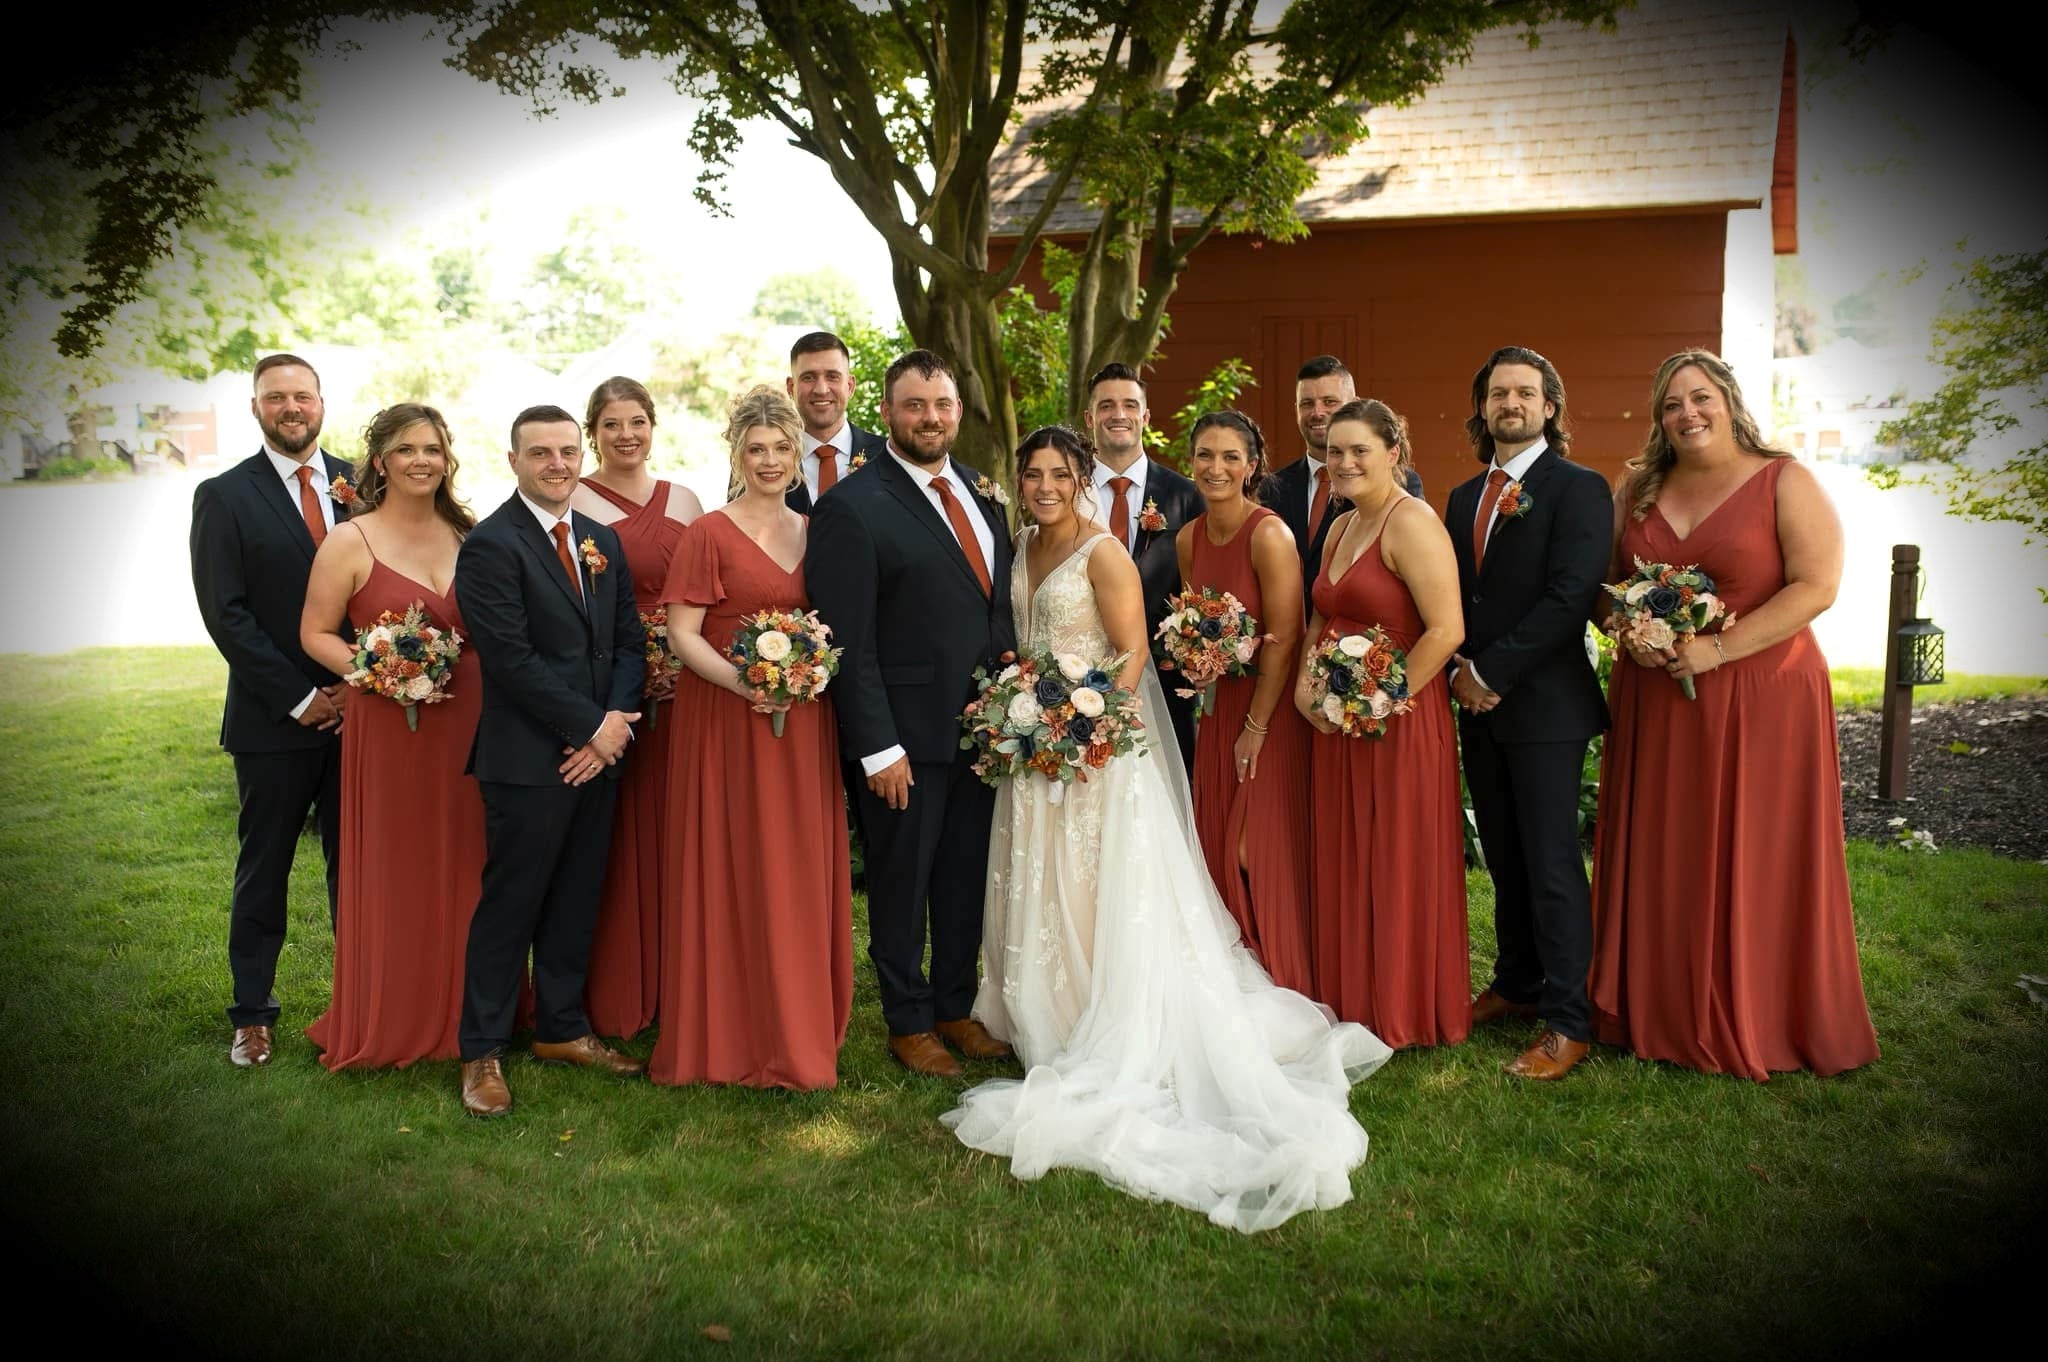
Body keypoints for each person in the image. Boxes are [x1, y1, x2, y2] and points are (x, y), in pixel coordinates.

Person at [945, 425, 1391, 1235]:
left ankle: (1094, 1013)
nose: (1045, 486)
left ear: (1083, 478)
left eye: (1059, 474)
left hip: (1093, 751)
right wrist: (1027, 714)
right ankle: (1037, 1004)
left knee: (1095, 883)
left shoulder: (1104, 553)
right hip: (1035, 744)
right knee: (1043, 879)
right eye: (1033, 474)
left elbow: (1130, 656)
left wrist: (1076, 729)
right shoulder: (1022, 543)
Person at [1589, 350, 1878, 1080]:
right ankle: (1658, 1005)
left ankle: (1761, 1010)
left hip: (1762, 699)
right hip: (1659, 702)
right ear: (1659, 418)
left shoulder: (1785, 479)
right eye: (1671, 404)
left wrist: (1719, 651)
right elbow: (1603, 588)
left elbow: (1817, 585)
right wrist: (1632, 631)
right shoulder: (1640, 488)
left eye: (1701, 398)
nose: (1687, 413)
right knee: (1669, 845)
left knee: (1756, 849)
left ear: (1729, 401)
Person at [806, 349, 1017, 1077]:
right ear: (888, 412)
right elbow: (849, 642)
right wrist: (877, 748)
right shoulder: (850, 509)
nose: (931, 418)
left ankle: (955, 1008)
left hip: (985, 731)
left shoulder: (984, 496)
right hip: (904, 740)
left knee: (963, 876)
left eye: (942, 405)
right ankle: (907, 1020)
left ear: (958, 410)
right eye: (915, 405)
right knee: (902, 883)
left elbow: (994, 609)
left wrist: (1014, 709)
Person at [651, 387, 853, 1089]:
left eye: (781, 449)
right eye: (756, 449)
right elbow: (681, 633)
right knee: (732, 860)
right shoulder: (708, 531)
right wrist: (744, 684)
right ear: (736, 454)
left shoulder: (816, 528)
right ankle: (727, 1031)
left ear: (799, 455)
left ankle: (793, 1028)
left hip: (800, 725)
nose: (770, 461)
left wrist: (802, 675)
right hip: (724, 723)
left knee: (793, 864)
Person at [451, 404, 647, 1117]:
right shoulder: (490, 546)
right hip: (529, 761)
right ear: (514, 462)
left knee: (576, 897)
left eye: (568, 451)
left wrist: (616, 727)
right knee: (512, 906)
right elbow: (511, 660)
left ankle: (562, 1028)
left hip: (599, 756)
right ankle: (481, 1053)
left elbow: (628, 642)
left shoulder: (600, 540)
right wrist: (592, 726)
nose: (557, 464)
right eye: (541, 454)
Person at [298, 404, 483, 1070]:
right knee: (398, 866)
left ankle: (473, 1014)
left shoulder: (470, 533)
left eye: (433, 448)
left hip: (467, 723)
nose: (422, 461)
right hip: (390, 727)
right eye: (406, 450)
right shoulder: (351, 542)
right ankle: (394, 1015)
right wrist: (377, 670)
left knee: (468, 863)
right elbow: (315, 632)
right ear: (380, 461)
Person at [1446, 346, 1613, 1080]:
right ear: (1482, 408)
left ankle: (1569, 1020)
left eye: (1525, 393)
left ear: (1550, 407)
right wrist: (1459, 671)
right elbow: (1457, 598)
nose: (1510, 404)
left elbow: (1570, 596)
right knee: (1507, 860)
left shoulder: (1579, 488)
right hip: (1478, 705)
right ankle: (1517, 983)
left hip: (1546, 707)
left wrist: (1491, 670)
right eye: (1497, 394)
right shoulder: (1460, 498)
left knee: (1549, 864)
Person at [189, 353, 353, 1067]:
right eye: (276, 397)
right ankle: (252, 1015)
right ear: (256, 407)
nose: (292, 408)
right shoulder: (224, 496)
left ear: (322, 403)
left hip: (364, 716)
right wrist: (298, 697)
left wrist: (363, 684)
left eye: (303, 396)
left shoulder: (364, 482)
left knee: (360, 869)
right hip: (270, 722)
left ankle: (360, 1003)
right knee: (266, 869)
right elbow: (226, 616)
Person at [1297, 400, 1469, 1048]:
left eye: (1358, 451)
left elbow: (1447, 629)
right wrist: (1307, 690)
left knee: (1393, 858)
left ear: (1393, 452)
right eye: (1334, 452)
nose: (1343, 463)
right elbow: (1321, 615)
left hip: (1396, 721)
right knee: (1347, 854)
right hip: (1339, 720)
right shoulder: (1343, 527)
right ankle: (1351, 995)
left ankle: (1401, 1005)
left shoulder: (1412, 523)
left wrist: (1377, 698)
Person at [571, 377, 701, 1042]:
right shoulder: (574, 496)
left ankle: (683, 979)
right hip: (610, 690)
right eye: (612, 424)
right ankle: (621, 984)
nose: (626, 435)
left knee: (680, 828)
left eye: (637, 422)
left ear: (654, 426)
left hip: (685, 692)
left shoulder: (686, 499)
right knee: (616, 834)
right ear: (593, 432)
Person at [1173, 410, 1313, 993]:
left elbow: (1286, 639)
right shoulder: (1188, 538)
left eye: (1231, 456)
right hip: (1220, 706)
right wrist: (1195, 659)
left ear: (1252, 466)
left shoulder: (1270, 534)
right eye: (1206, 455)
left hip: (1269, 711)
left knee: (1254, 847)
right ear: (1191, 463)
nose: (1216, 467)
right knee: (1216, 846)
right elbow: (1194, 623)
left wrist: (1255, 725)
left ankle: (1281, 973)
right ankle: (1235, 976)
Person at [1082, 362, 1202, 772]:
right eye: (1107, 405)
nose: (1119, 415)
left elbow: (1201, 592)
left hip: (1166, 688)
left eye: (1130, 405)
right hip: (1080, 684)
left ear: (1145, 417)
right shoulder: (1065, 492)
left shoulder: (1186, 497)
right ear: (1089, 417)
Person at [1262, 356, 1424, 611]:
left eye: (1330, 402)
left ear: (1354, 405)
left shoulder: (1394, 481)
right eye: (1307, 403)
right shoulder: (1272, 487)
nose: (1317, 413)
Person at [777, 331, 889, 511]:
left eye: (832, 376)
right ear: (791, 388)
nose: (821, 389)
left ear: (850, 386)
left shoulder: (888, 456)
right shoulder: (763, 459)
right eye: (809, 377)